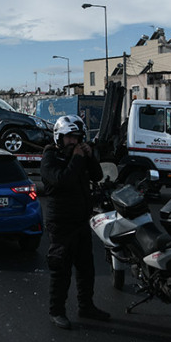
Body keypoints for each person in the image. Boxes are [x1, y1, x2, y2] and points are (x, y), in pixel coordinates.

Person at [40, 115, 112, 330]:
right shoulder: (50, 157)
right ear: (59, 138)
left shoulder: (78, 157)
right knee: (60, 269)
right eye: (70, 138)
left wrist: (90, 158)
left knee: (86, 268)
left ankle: (86, 306)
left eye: (78, 138)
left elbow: (97, 175)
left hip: (81, 220)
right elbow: (63, 180)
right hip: (61, 223)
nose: (74, 142)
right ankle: (56, 311)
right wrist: (78, 159)